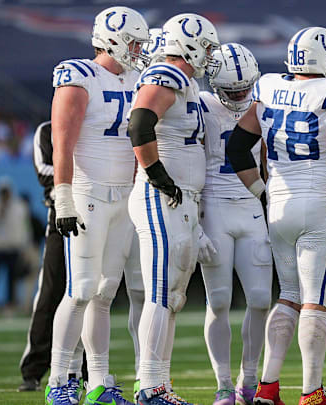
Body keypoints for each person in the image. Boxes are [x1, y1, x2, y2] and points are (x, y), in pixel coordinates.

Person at [226, 26, 326, 405]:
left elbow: (237, 148)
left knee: (288, 295)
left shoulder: (269, 87)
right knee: (316, 301)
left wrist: (263, 192)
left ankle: (268, 387)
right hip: (322, 202)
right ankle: (312, 392)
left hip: (280, 205)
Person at [45, 6, 149, 405]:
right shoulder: (78, 74)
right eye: (134, 42)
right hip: (87, 193)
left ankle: (99, 383)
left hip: (125, 194)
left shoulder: (138, 77)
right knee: (81, 288)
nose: (139, 50)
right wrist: (64, 193)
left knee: (105, 292)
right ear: (113, 40)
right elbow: (63, 140)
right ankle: (59, 382)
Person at [127, 12, 220, 405]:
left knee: (173, 297)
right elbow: (140, 122)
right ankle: (150, 387)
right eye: (208, 46)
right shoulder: (168, 74)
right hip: (162, 196)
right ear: (191, 44)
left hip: (180, 200)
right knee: (162, 294)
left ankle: (159, 385)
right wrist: (157, 174)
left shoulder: (187, 84)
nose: (211, 54)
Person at [198, 43, 272, 405]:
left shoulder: (265, 103)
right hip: (214, 207)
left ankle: (250, 377)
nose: (242, 96)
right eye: (234, 90)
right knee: (220, 300)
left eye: (246, 88)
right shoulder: (200, 104)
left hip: (252, 205)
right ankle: (224, 383)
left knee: (260, 299)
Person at [18, 121, 86, 394]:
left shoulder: (91, 121)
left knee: (91, 293)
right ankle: (33, 369)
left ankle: (87, 370)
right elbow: (44, 171)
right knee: (49, 293)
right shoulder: (46, 131)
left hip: (97, 212)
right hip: (60, 216)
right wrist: (80, 174)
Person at [0, 177, 30, 307]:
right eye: (2, 192)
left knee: (12, 280)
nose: (5, 194)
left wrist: (24, 246)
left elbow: (24, 228)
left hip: (12, 248)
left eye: (6, 191)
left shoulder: (19, 206)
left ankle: (10, 304)